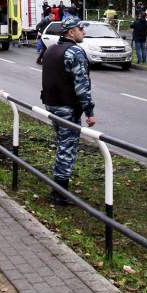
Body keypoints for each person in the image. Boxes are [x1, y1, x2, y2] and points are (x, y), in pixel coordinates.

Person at [40, 16, 96, 205]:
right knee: (67, 148)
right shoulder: (75, 52)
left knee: (62, 143)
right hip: (67, 107)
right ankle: (60, 193)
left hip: (51, 104)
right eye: (81, 29)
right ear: (71, 32)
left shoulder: (51, 50)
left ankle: (60, 188)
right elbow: (82, 86)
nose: (84, 32)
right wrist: (89, 112)